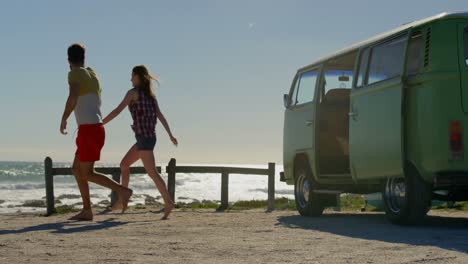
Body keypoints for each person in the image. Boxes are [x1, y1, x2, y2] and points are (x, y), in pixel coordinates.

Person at [60, 43, 133, 221]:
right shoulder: (92, 75)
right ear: (83, 58)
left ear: (68, 60)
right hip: (93, 128)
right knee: (77, 170)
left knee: (87, 173)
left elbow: (73, 97)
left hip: (89, 130)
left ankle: (123, 191)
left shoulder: (74, 73)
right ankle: (87, 210)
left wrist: (64, 118)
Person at [103, 65, 177, 220]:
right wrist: (170, 135)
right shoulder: (151, 96)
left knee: (152, 173)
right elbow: (161, 116)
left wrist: (101, 123)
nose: (130, 79)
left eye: (132, 76)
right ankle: (122, 200)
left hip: (144, 138)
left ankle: (168, 202)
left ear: (138, 77)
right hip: (147, 138)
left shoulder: (133, 93)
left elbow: (118, 110)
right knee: (124, 165)